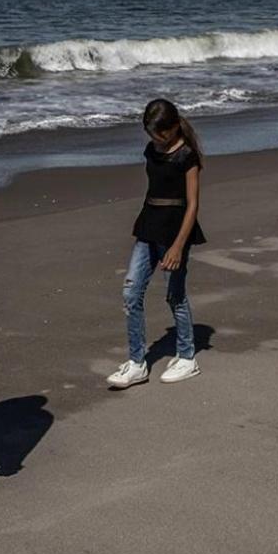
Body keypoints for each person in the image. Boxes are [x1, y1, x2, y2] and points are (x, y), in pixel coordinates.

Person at [105, 100, 206, 388]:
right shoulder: (151, 150)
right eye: (151, 133)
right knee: (130, 292)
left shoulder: (187, 155)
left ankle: (187, 356)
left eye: (159, 133)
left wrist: (177, 246)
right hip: (149, 225)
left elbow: (193, 204)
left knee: (175, 294)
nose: (155, 139)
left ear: (173, 126)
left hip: (176, 230)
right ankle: (137, 363)